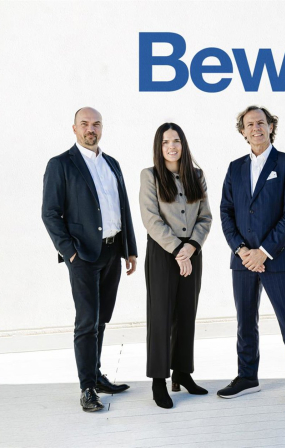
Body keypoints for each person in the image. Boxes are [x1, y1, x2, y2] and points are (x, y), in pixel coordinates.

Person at [42, 107, 137, 412]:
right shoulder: (61, 164)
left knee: (102, 318)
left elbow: (123, 208)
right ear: (74, 128)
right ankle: (87, 388)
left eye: (96, 124)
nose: (90, 129)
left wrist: (129, 249)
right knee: (86, 321)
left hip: (112, 251)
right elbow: (50, 213)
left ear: (102, 128)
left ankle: (96, 375)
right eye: (84, 124)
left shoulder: (112, 164)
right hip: (82, 255)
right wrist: (68, 251)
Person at [218, 105, 285, 406]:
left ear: (271, 126)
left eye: (261, 123)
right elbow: (226, 211)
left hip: (279, 259)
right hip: (243, 260)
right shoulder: (235, 168)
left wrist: (264, 252)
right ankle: (247, 377)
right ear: (243, 131)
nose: (256, 128)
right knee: (245, 323)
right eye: (250, 124)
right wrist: (242, 250)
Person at [139, 123, 212, 409]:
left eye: (176, 141)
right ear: (159, 147)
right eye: (166, 142)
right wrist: (178, 249)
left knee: (186, 313)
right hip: (162, 251)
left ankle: (182, 372)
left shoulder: (197, 175)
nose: (172, 146)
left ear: (183, 144)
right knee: (160, 316)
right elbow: (150, 218)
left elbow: (205, 217)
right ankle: (159, 380)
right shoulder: (150, 175)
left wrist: (191, 247)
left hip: (192, 250)